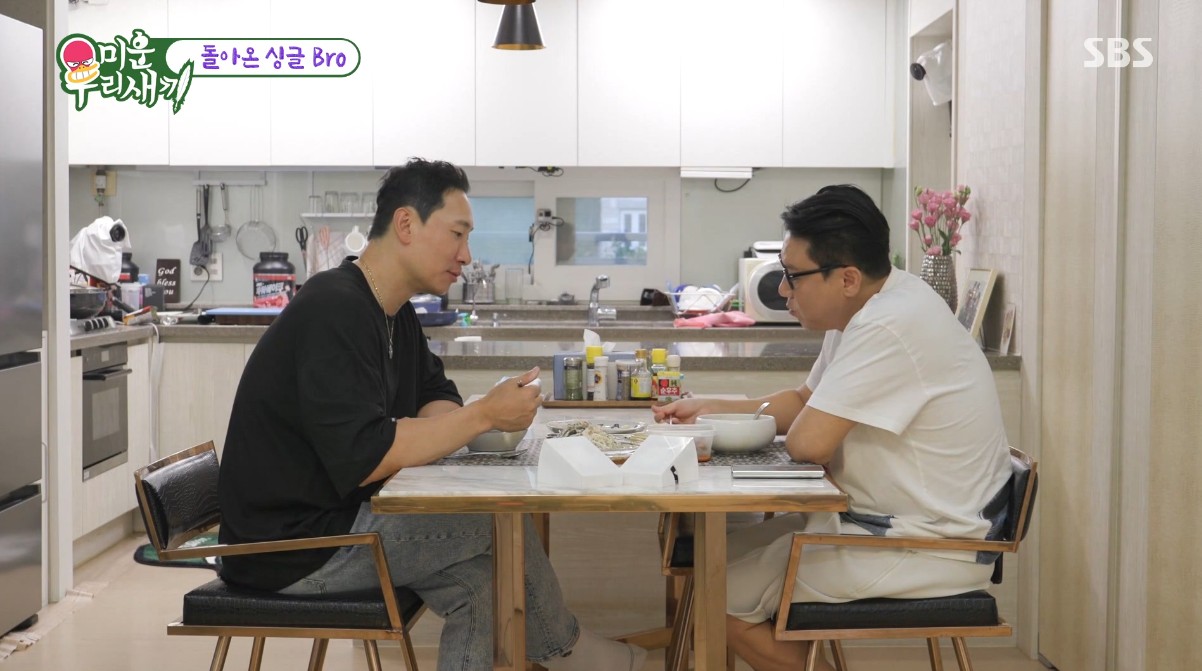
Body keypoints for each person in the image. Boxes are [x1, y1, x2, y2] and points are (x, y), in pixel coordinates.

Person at [218, 158, 646, 671]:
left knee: (483, 582)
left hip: (336, 522)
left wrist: (477, 420)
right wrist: (483, 416)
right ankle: (570, 653)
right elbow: (366, 456)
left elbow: (434, 395)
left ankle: (567, 652)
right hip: (289, 548)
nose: (466, 255)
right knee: (496, 521)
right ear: (406, 224)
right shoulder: (333, 308)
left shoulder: (392, 312)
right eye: (457, 234)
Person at [653, 185, 1012, 671]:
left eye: (792, 276)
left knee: (716, 591)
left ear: (846, 278)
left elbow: (808, 442)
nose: (784, 291)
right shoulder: (872, 306)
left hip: (927, 545)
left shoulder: (889, 324)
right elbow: (805, 401)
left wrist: (782, 427)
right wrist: (710, 407)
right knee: (706, 559)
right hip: (887, 523)